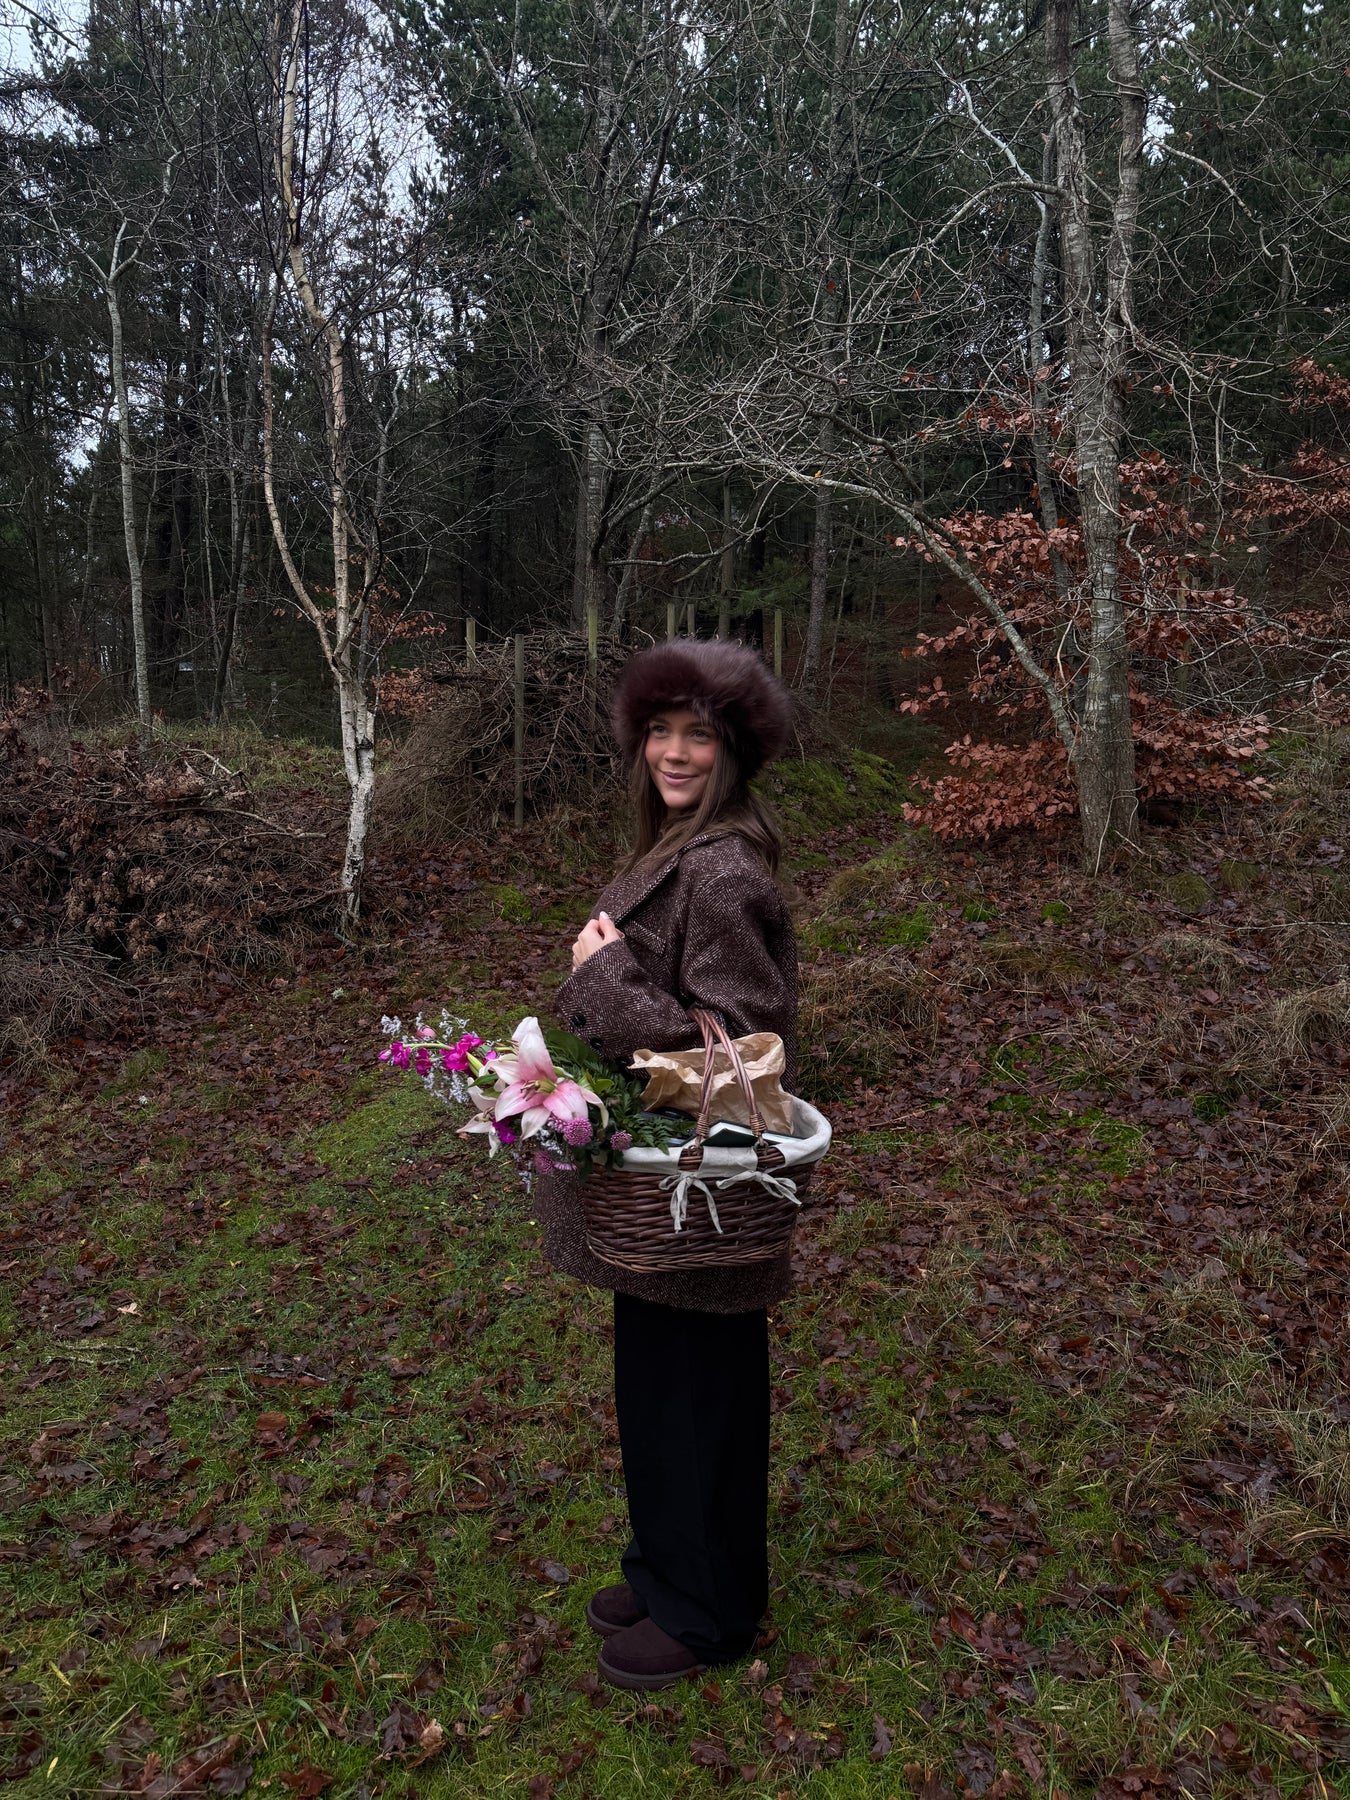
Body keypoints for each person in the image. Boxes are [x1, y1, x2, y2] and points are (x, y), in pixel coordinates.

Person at [541, 637, 800, 1693]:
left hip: (706, 1192)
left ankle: (710, 1612)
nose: (675, 752)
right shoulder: (676, 848)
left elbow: (740, 1065)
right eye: (659, 730)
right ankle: (665, 1568)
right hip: (662, 1192)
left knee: (698, 1402)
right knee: (657, 1393)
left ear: (734, 749)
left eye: (699, 733)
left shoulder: (724, 871)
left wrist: (604, 976)